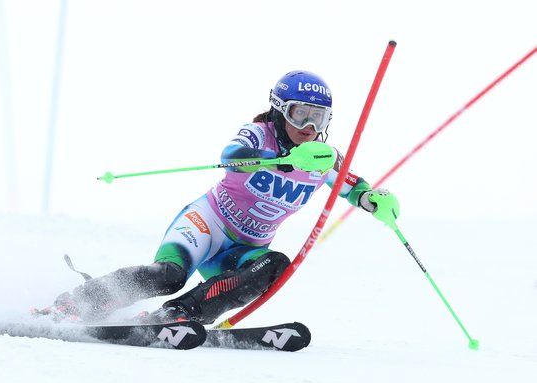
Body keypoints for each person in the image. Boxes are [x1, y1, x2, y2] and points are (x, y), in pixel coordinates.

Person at [39, 70, 399, 324]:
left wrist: (374, 200)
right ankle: (76, 304)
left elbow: (356, 187)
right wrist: (279, 160)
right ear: (278, 110)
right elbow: (231, 154)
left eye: (318, 117)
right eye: (299, 113)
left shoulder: (324, 159)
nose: (309, 126)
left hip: (243, 249)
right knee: (169, 275)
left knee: (274, 265)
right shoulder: (261, 134)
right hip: (205, 225)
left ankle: (175, 315)